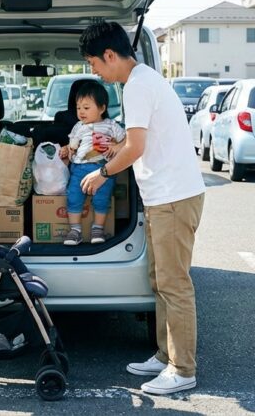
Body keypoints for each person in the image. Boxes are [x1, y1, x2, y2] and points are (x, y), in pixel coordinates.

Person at [77, 22, 206, 395]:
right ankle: (166, 355)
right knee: (160, 281)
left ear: (110, 55)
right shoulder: (144, 79)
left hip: (173, 198)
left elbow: (134, 147)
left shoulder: (136, 86)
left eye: (93, 64)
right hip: (164, 196)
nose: (94, 72)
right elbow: (138, 142)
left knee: (174, 284)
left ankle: (182, 369)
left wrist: (102, 173)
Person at [58, 80, 126, 246]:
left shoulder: (111, 126)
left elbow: (128, 140)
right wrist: (67, 150)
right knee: (73, 196)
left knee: (101, 199)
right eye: (78, 107)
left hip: (103, 169)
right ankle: (75, 230)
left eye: (86, 108)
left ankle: (98, 229)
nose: (81, 112)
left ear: (102, 108)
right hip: (79, 168)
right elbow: (72, 145)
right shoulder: (78, 126)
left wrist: (117, 146)